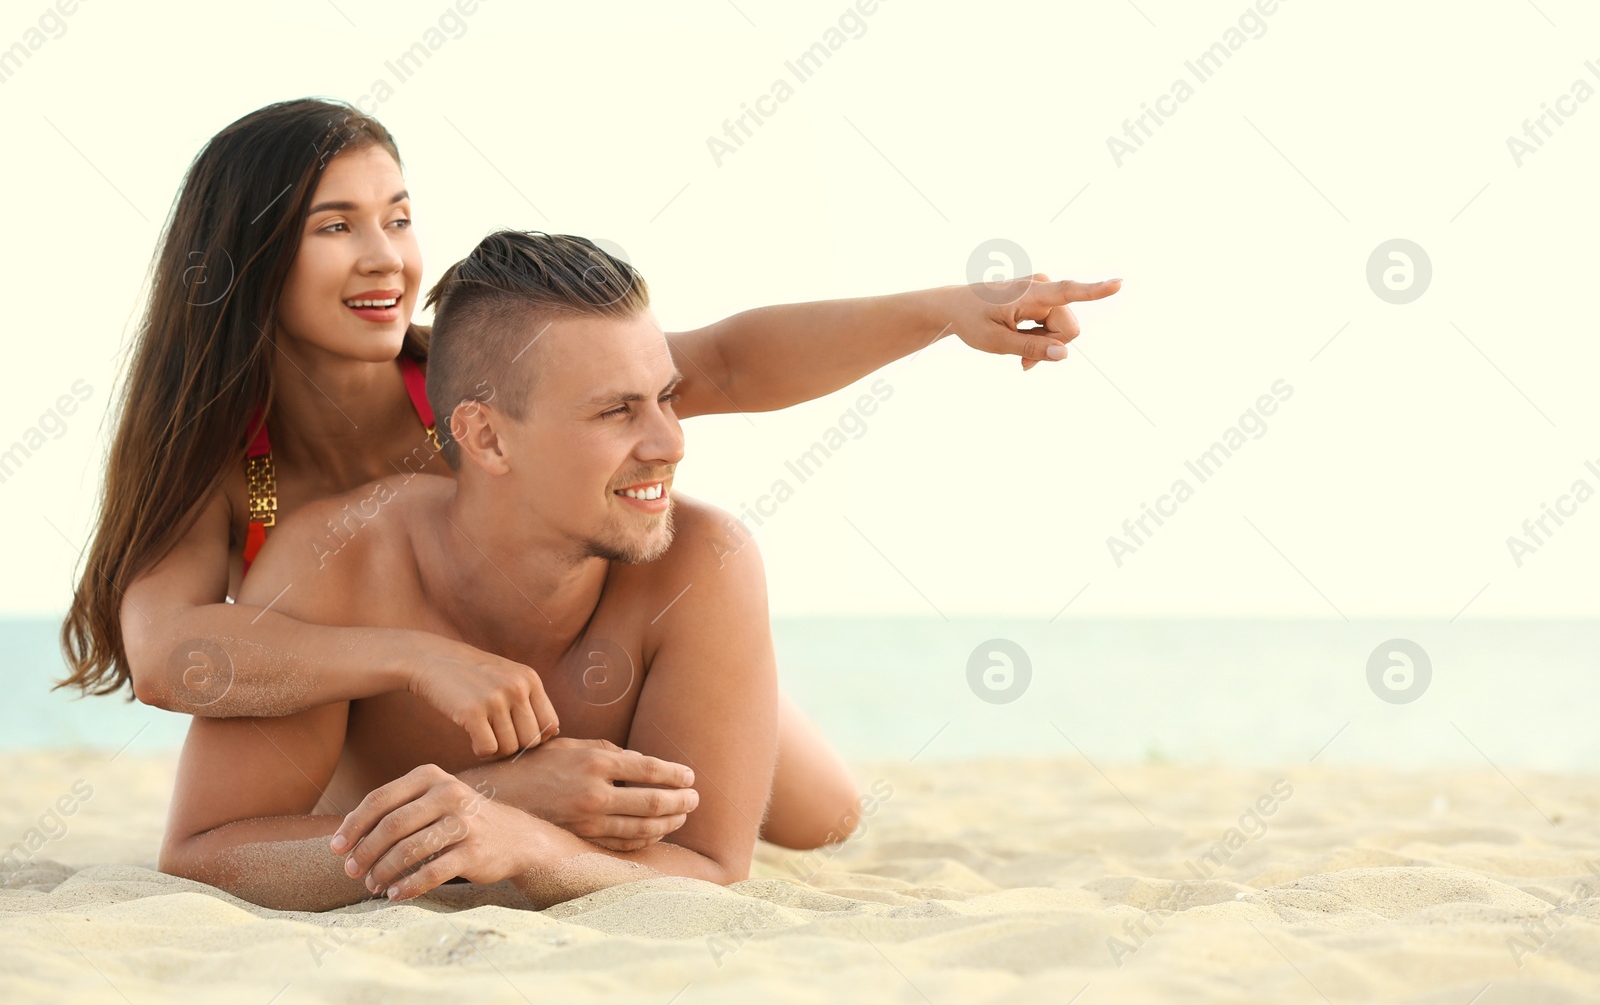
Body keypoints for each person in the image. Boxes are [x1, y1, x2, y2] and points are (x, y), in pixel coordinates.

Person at [61, 98, 1120, 851]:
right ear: (246, 259)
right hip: (408, 739)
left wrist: (941, 312)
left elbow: (722, 362)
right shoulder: (231, 465)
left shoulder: (462, 387)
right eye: (335, 225)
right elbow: (167, 654)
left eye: (397, 215)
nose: (386, 256)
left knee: (823, 817)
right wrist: (412, 661)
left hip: (586, 684)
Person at [164, 231, 833, 909]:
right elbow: (204, 856)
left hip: (676, 656)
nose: (671, 443)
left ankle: (753, 693)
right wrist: (490, 801)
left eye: (666, 397)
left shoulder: (705, 555)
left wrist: (532, 844)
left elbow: (713, 866)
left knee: (829, 816)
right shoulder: (337, 561)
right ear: (485, 436)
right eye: (616, 411)